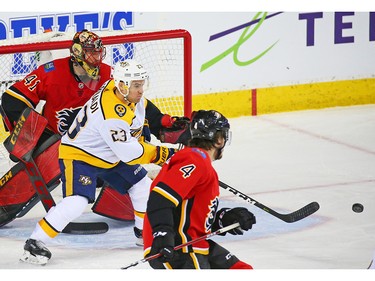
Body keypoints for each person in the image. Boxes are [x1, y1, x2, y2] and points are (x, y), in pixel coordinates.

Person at [0, 29, 190, 227]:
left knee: (128, 161)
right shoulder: (51, 71)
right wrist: (32, 139)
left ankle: (120, 200)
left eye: (99, 52)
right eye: (91, 52)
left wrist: (163, 122)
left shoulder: (109, 74)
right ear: (77, 53)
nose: (96, 58)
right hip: (58, 144)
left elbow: (140, 103)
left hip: (96, 145)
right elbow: (12, 99)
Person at [20, 59, 177, 265]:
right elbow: (129, 152)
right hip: (80, 155)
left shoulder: (117, 87)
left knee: (142, 186)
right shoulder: (111, 113)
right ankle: (34, 243)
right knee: (77, 202)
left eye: (141, 84)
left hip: (108, 152)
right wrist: (163, 154)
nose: (141, 90)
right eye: (136, 86)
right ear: (122, 85)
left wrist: (159, 121)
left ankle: (142, 232)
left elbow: (141, 106)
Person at [142, 109, 256, 269]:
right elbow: (160, 199)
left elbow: (188, 216)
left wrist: (224, 218)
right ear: (218, 139)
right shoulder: (195, 159)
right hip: (178, 248)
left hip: (192, 243)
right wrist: (163, 234)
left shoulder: (197, 161)